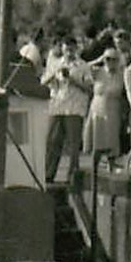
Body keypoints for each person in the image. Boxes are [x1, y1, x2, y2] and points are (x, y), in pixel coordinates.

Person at [41, 40, 93, 183]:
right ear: (62, 49)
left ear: (76, 50)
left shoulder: (83, 66)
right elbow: (43, 82)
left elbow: (89, 88)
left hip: (74, 108)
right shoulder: (54, 63)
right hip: (57, 106)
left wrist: (72, 79)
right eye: (66, 50)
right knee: (52, 141)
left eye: (71, 50)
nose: (69, 53)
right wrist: (54, 75)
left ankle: (72, 176)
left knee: (73, 144)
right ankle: (48, 174)